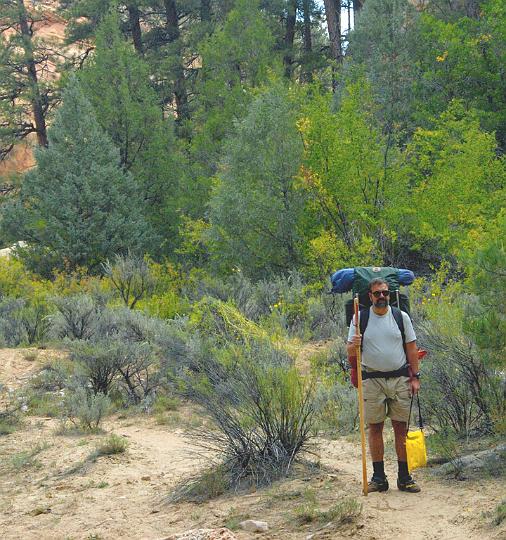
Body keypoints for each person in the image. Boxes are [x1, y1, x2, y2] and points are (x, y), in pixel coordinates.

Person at [347, 277, 421, 493]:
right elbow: (349, 351)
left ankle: (404, 477)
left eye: (385, 293)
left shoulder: (401, 317)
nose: (382, 297)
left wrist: (415, 376)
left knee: (401, 427)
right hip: (372, 380)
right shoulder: (360, 318)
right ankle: (379, 478)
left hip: (400, 379)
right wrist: (355, 344)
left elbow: (412, 348)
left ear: (390, 295)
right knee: (375, 428)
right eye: (377, 293)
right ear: (369, 296)